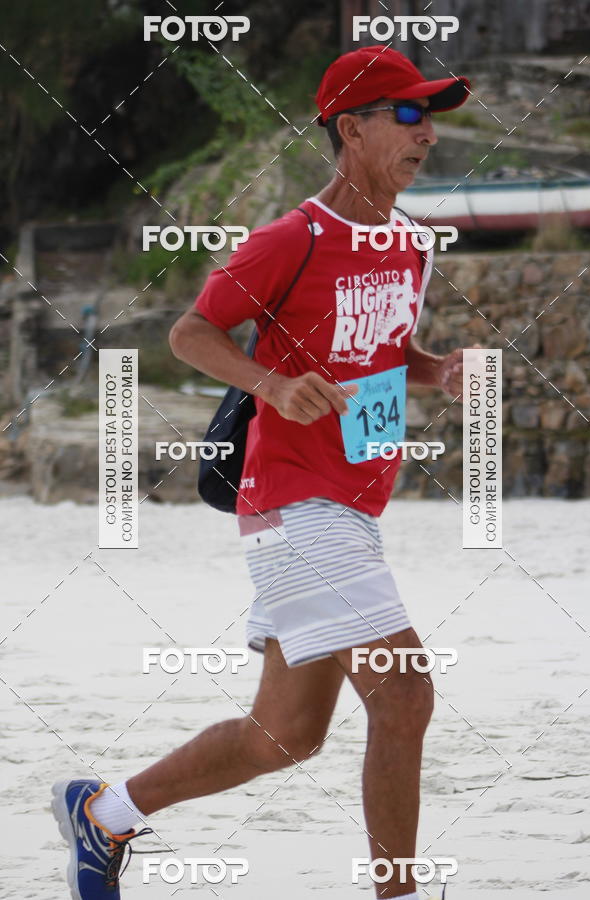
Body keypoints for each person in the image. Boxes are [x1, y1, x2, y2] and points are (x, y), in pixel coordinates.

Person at [52, 44, 473, 899]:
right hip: (295, 503)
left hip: (354, 509)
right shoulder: (295, 237)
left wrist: (438, 370)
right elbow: (191, 334)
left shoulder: (413, 244)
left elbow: (386, 353)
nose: (426, 131)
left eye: (431, 116)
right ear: (350, 129)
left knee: (283, 736)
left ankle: (105, 816)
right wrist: (274, 383)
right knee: (406, 699)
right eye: (407, 114)